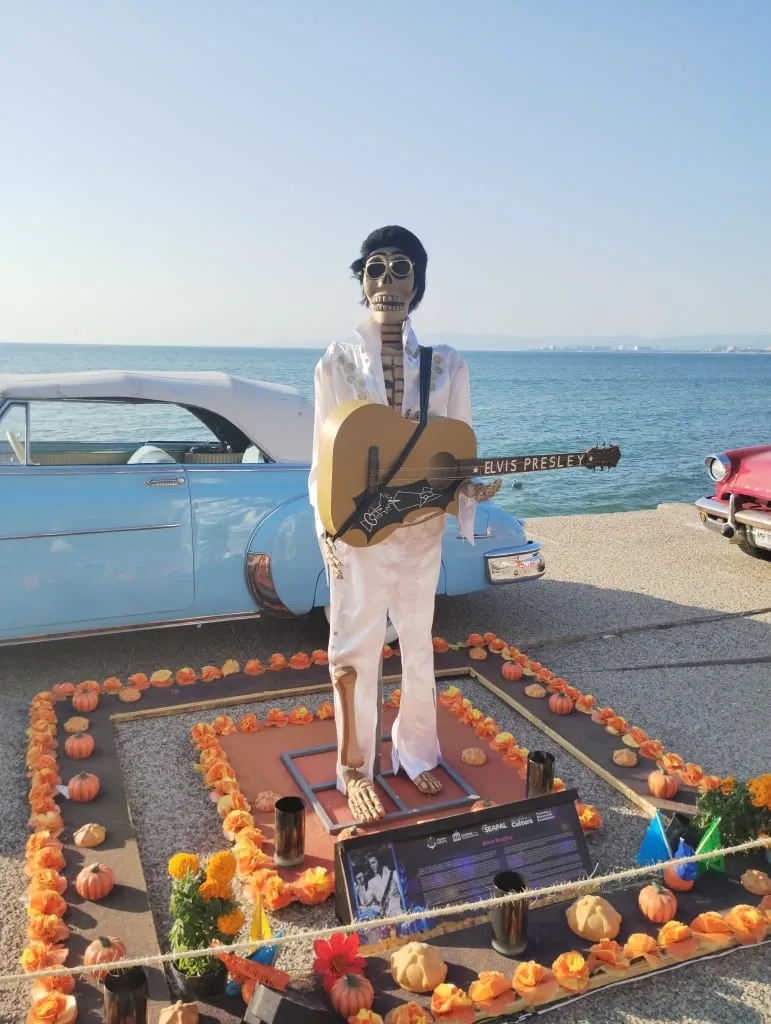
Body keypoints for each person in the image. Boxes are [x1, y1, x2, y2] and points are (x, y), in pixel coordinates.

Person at [308, 225, 499, 824]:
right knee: (354, 648)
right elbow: (323, 457)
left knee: (417, 645)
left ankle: (417, 752)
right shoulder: (335, 363)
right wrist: (328, 530)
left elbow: (457, 450)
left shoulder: (447, 366)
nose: (386, 282)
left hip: (420, 532)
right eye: (375, 268)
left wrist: (469, 488)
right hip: (361, 533)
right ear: (361, 279)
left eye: (400, 269)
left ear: (418, 283)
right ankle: (354, 768)